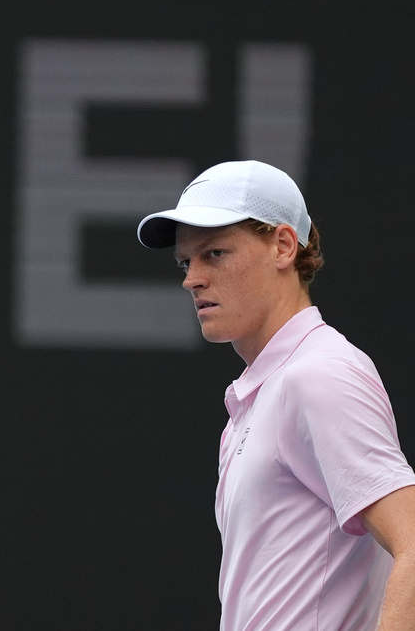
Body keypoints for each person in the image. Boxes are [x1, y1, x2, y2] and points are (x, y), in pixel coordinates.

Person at [136, 160, 415, 630]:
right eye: (187, 261)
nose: (192, 279)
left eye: (215, 254)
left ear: (283, 246)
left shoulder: (320, 374)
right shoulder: (266, 392)